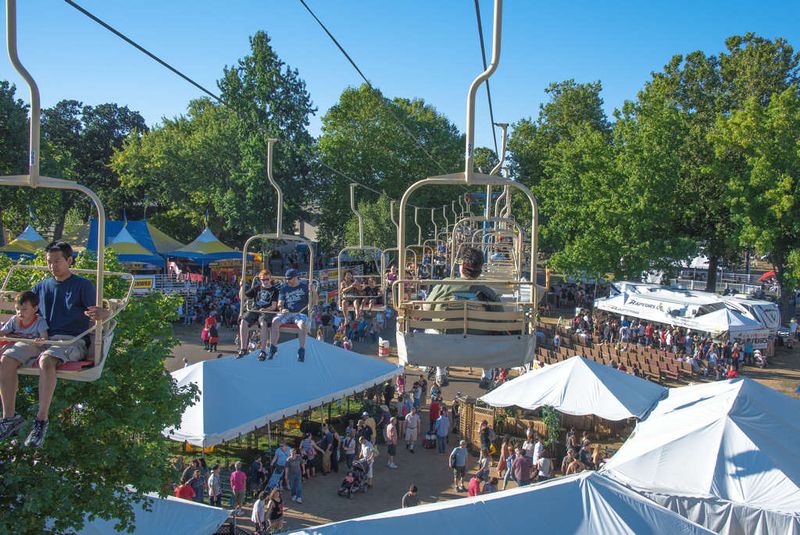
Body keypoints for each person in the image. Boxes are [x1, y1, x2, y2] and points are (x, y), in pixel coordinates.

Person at [0, 242, 109, 448]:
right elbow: (30, 315)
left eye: (57, 261)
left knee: (47, 360)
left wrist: (104, 314)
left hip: (69, 339)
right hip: (40, 337)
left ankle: (41, 421)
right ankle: (9, 417)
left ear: (69, 261)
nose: (52, 266)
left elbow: (99, 312)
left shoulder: (82, 285)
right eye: (49, 262)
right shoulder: (41, 287)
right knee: (7, 359)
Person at [268, 269, 313, 362]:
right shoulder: (284, 288)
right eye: (287, 279)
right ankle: (273, 347)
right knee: (275, 321)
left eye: (290, 279)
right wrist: (281, 308)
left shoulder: (305, 288)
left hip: (299, 312)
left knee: (302, 324)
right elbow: (280, 302)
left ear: (296, 277)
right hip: (287, 312)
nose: (288, 281)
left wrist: (313, 292)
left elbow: (314, 302)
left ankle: (301, 350)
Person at [237, 270, 279, 359]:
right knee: (243, 321)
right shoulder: (257, 288)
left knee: (263, 323)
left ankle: (263, 350)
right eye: (263, 280)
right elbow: (242, 297)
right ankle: (243, 348)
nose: (265, 281)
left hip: (267, 311)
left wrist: (265, 309)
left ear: (270, 278)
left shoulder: (274, 290)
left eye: (267, 279)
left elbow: (274, 306)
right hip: (255, 309)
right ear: (260, 280)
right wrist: (241, 286)